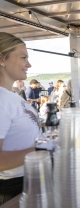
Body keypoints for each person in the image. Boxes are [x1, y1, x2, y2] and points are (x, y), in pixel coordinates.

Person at [0, 32, 41, 205]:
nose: (28, 64)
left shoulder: (12, 96)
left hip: (29, 182)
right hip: (11, 189)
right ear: (2, 59)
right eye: (23, 57)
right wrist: (42, 149)